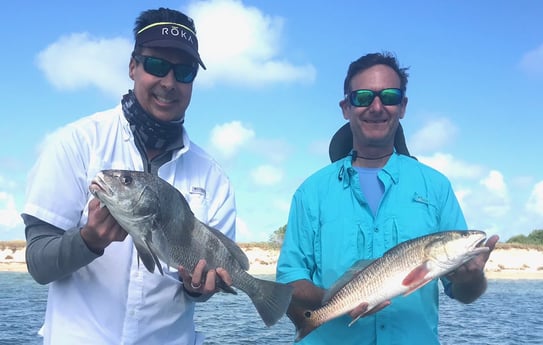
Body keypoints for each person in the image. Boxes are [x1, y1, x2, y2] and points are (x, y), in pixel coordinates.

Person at [22, 8, 237, 345]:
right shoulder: (78, 142)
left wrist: (198, 289)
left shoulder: (213, 175)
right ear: (132, 66)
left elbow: (211, 281)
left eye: (184, 71)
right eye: (155, 65)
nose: (169, 82)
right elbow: (37, 263)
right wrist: (88, 240)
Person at [276, 51, 499, 345]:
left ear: (403, 106)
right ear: (346, 107)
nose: (377, 106)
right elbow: (290, 279)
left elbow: (464, 293)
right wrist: (341, 302)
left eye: (390, 96)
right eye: (363, 97)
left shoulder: (436, 186)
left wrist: (472, 278)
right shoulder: (311, 192)